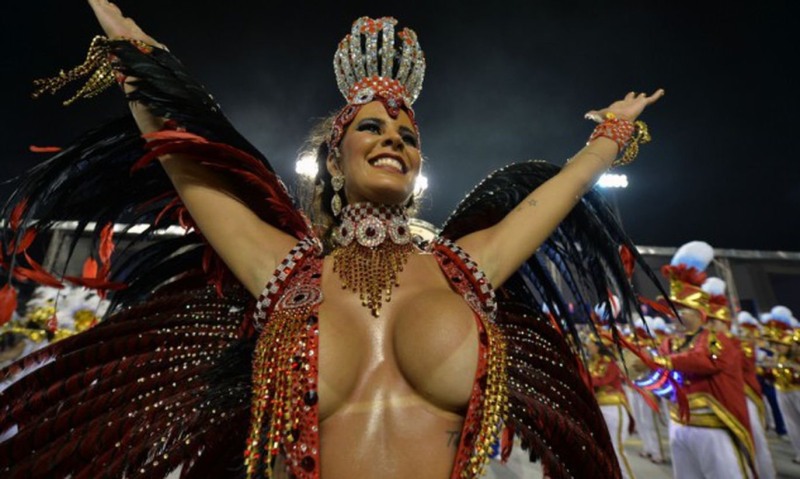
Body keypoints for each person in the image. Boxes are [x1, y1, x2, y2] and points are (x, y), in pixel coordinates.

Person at [0, 1, 665, 478]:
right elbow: (188, 169)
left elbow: (554, 199)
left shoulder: (464, 268)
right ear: (335, 156)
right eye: (371, 129)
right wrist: (140, 69)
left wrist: (608, 137)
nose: (394, 141)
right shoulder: (285, 271)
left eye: (407, 136)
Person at [654, 241, 756, 479]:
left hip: (713, 425)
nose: (675, 314)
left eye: (681, 309)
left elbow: (705, 360)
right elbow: (661, 368)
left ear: (700, 313)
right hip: (679, 423)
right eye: (673, 309)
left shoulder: (719, 339)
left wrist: (664, 363)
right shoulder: (668, 342)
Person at [586, 333, 636, 479]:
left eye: (592, 343)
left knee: (616, 450)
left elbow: (598, 381)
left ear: (599, 346)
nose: (588, 345)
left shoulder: (609, 362)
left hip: (613, 409)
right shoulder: (595, 361)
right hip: (602, 409)